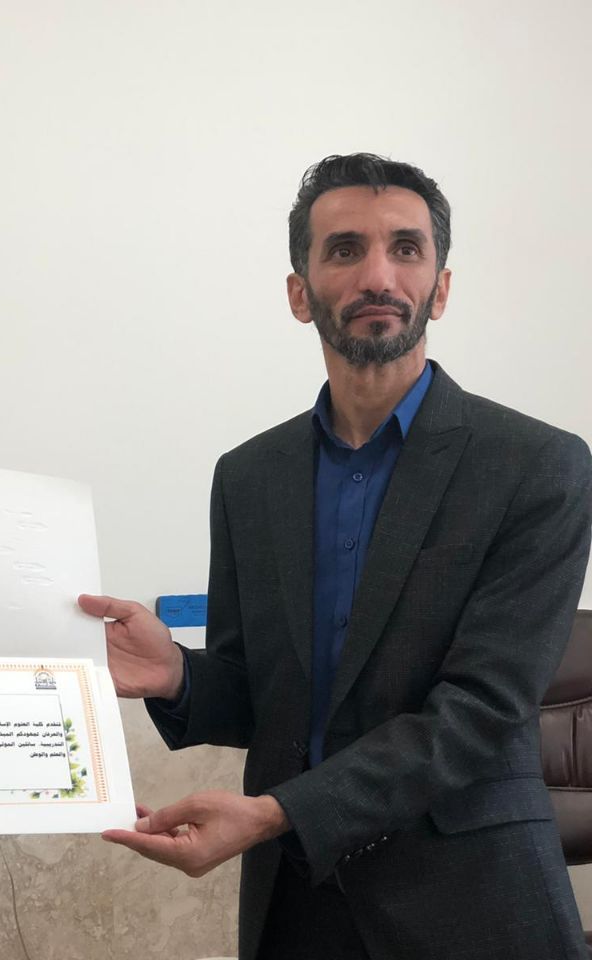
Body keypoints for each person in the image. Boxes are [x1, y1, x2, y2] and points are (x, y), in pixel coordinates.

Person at [81, 153, 592, 959]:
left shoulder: (538, 467)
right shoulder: (249, 477)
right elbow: (263, 698)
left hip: (473, 905)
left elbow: (481, 714)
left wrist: (278, 813)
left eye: (406, 248)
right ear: (300, 292)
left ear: (441, 288)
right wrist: (176, 674)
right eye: (346, 249)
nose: (377, 276)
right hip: (296, 907)